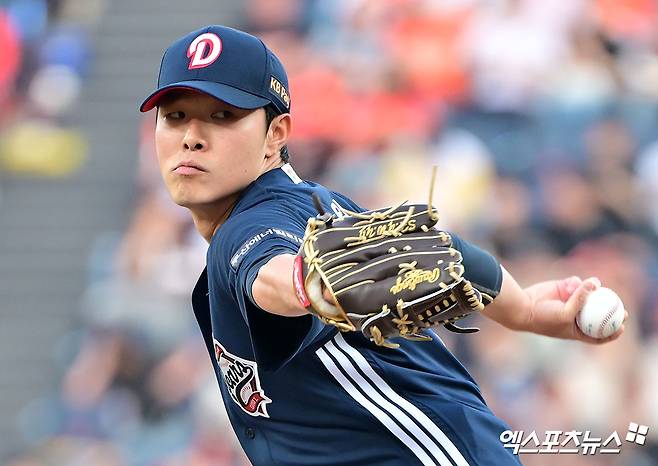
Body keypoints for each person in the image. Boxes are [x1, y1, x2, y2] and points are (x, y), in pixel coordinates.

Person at [139, 25, 626, 466]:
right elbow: (441, 249)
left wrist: (306, 283)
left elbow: (272, 271)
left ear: (276, 135)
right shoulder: (318, 206)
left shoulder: (249, 228)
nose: (192, 138)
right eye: (175, 116)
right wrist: (524, 310)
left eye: (222, 116)